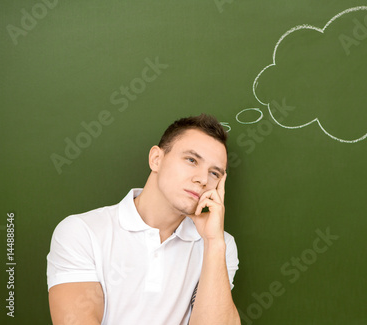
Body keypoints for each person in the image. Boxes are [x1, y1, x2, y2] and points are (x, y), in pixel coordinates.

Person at [47, 114, 240, 325]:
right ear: (156, 159)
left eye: (214, 173)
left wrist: (213, 243)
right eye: (191, 160)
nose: (202, 179)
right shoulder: (82, 232)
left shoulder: (220, 246)